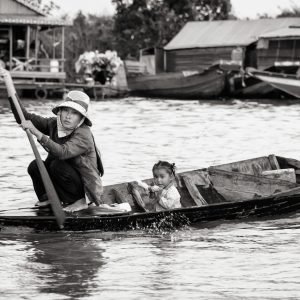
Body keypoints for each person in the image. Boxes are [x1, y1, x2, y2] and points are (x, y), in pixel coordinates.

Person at [8, 90, 104, 212]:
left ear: (81, 117)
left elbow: (62, 152)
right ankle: (49, 198)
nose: (68, 116)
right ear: (60, 112)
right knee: (35, 165)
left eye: (74, 113)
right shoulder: (54, 124)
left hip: (85, 187)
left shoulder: (84, 133)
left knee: (57, 165)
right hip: (63, 178)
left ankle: (80, 201)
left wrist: (36, 132)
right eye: (66, 111)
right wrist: (11, 93)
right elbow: (24, 117)